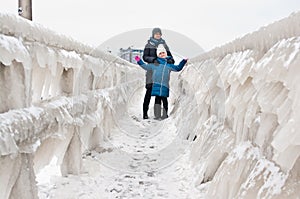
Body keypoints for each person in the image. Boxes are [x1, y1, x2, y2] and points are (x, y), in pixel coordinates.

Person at [135, 44, 188, 120]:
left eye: (163, 53)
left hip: (164, 85)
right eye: (160, 53)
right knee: (157, 100)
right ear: (158, 55)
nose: (162, 54)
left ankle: (165, 114)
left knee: (164, 99)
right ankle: (157, 115)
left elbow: (178, 68)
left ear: (165, 54)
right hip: (156, 85)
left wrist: (183, 61)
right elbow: (146, 67)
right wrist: (139, 61)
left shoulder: (169, 64)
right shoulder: (155, 64)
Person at [142, 27, 175, 119]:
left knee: (160, 93)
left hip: (161, 73)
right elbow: (144, 57)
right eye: (156, 34)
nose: (157, 35)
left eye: (159, 34)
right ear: (153, 34)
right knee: (148, 92)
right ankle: (145, 113)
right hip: (151, 72)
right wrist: (153, 60)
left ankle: (159, 114)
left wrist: (170, 61)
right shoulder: (149, 45)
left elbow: (170, 57)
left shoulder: (164, 45)